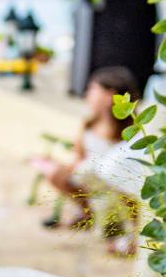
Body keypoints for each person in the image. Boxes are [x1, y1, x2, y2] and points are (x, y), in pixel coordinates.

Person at [31, 65, 140, 248]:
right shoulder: (89, 123)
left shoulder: (131, 130)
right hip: (90, 179)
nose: (87, 94)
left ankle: (120, 232)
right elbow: (78, 156)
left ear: (109, 95)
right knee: (59, 174)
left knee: (107, 193)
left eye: (92, 89)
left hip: (117, 184)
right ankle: (89, 214)